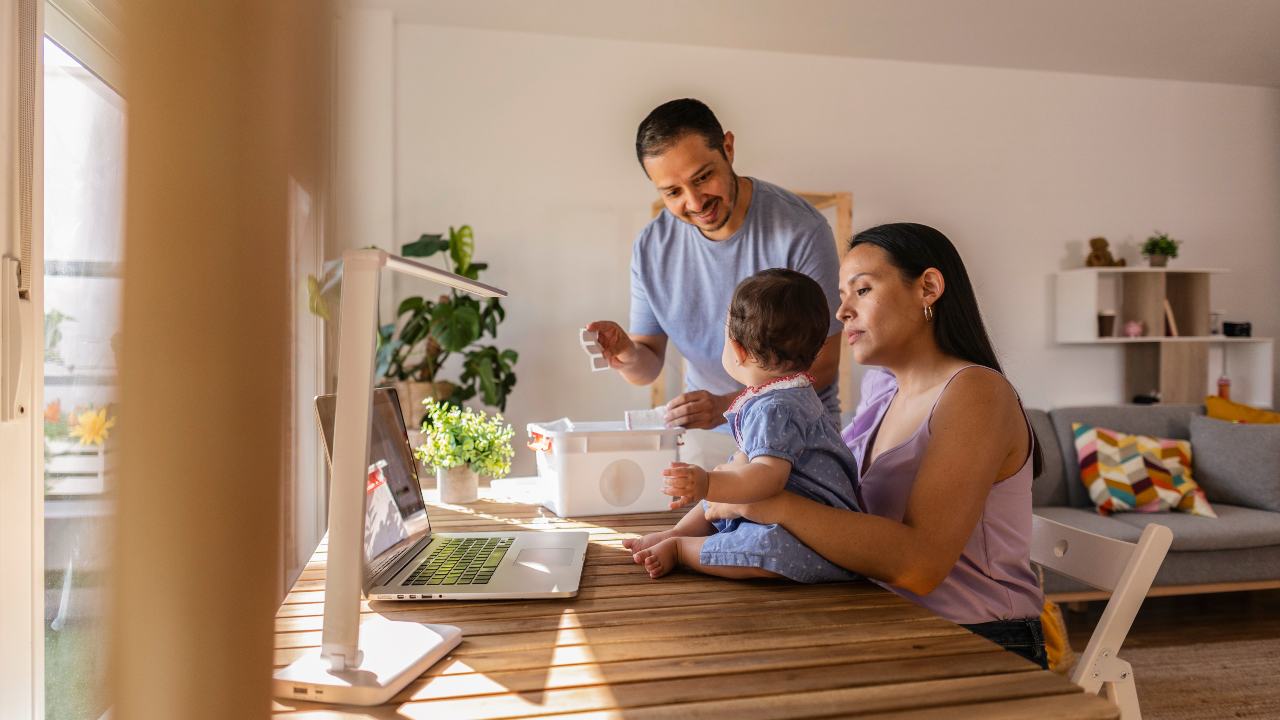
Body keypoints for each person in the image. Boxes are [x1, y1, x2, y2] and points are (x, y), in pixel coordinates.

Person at [703, 223, 1048, 668]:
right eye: (841, 297)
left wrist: (766, 504)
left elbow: (920, 567)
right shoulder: (883, 391)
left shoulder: (976, 393)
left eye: (861, 290)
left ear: (928, 287)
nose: (841, 312)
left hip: (978, 641)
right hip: (888, 616)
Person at [587, 98, 842, 468]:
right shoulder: (651, 247)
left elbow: (825, 363)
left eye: (703, 177)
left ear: (728, 148)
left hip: (797, 438)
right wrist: (626, 353)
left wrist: (726, 405)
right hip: (705, 441)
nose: (694, 202)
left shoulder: (800, 230)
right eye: (672, 192)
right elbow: (647, 366)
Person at [621, 269, 861, 583]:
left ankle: (683, 549)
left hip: (813, 529)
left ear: (737, 350)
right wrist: (722, 476)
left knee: (763, 547)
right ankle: (678, 532)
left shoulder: (775, 406)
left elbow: (767, 479)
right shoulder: (788, 393)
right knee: (728, 475)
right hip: (791, 509)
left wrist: (706, 483)